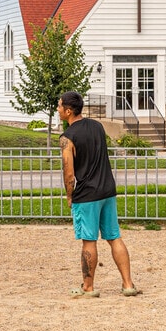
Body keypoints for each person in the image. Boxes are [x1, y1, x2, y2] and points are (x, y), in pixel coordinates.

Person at [57, 91, 140, 298]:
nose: (57, 109)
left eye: (59, 106)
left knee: (89, 240)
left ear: (68, 111)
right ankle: (128, 284)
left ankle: (88, 287)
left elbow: (69, 172)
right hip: (106, 189)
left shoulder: (67, 137)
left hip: (87, 195)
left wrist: (69, 195)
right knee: (114, 237)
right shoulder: (97, 126)